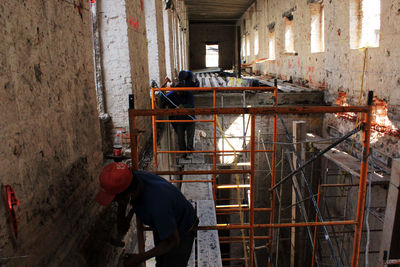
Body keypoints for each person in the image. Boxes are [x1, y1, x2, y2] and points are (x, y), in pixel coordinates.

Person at [95, 162, 198, 267]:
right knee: (161, 261)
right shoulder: (132, 179)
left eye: (116, 199)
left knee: (172, 263)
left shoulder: (158, 206)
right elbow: (123, 196)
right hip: (164, 220)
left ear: (129, 195)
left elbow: (172, 241)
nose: (116, 202)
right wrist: (122, 218)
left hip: (182, 228)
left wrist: (139, 258)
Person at [160, 70, 199, 158]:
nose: (178, 93)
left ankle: (189, 151)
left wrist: (183, 106)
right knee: (180, 137)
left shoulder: (188, 93)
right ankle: (183, 152)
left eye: (180, 92)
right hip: (179, 119)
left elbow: (191, 105)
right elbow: (164, 99)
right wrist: (162, 91)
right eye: (177, 91)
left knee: (190, 136)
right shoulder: (172, 94)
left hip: (189, 119)